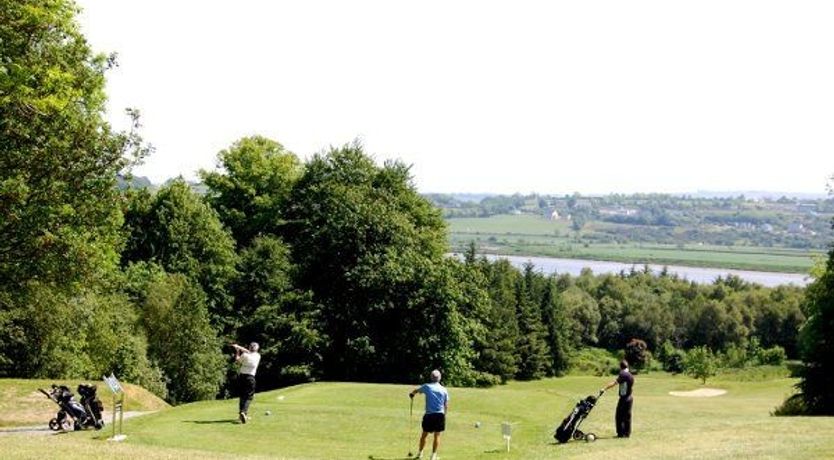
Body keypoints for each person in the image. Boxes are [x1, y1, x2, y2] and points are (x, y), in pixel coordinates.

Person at [409, 370, 449, 460]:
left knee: (424, 434)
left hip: (429, 415)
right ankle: (433, 456)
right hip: (440, 415)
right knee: (437, 435)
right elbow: (446, 404)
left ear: (431, 377)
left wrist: (412, 394)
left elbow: (416, 391)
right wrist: (444, 415)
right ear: (440, 378)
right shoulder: (444, 389)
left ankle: (420, 453)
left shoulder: (427, 387)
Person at [601, 359, 635, 438]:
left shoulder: (623, 374)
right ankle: (627, 433)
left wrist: (604, 388)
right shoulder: (630, 374)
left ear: (620, 367)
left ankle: (620, 434)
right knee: (627, 416)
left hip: (624, 398)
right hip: (629, 397)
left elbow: (615, 383)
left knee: (619, 416)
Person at [232, 342, 261, 424]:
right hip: (250, 378)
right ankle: (243, 412)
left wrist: (237, 350)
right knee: (249, 397)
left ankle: (241, 414)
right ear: (257, 349)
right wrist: (239, 347)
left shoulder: (245, 355)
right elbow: (249, 351)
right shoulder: (258, 356)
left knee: (242, 396)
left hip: (242, 377)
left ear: (249, 347)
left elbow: (237, 360)